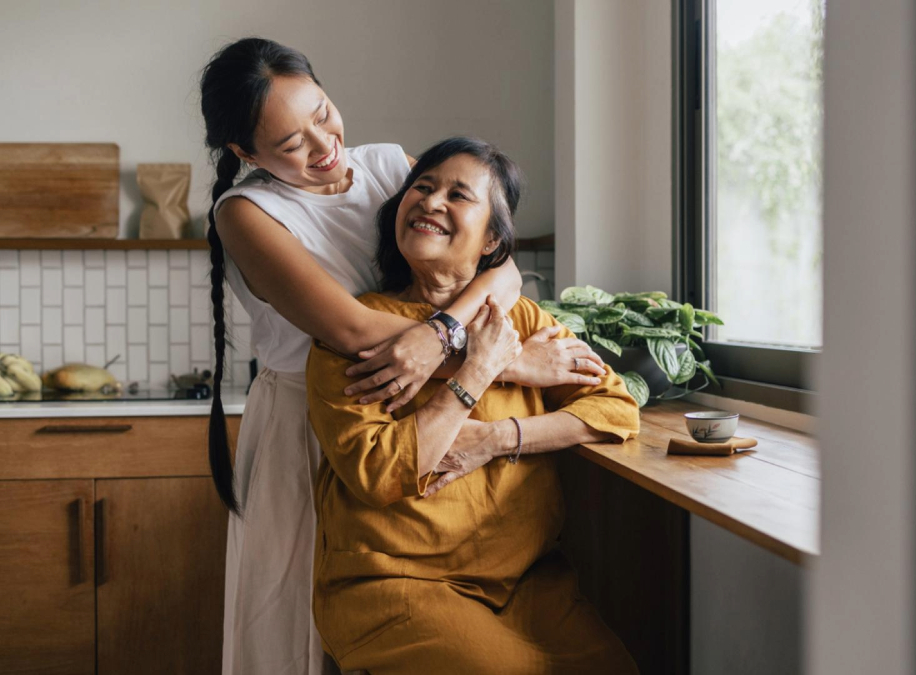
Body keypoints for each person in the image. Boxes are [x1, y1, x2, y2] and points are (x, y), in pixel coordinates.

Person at [198, 40, 610, 675]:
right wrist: (503, 362)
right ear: (245, 154)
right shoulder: (247, 214)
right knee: (299, 627)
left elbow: (500, 265)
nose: (322, 143)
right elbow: (353, 331)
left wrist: (442, 331)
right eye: (290, 144)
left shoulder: (392, 165)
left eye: (322, 112)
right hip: (316, 422)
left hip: (426, 410)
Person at [305, 137, 641, 674]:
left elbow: (616, 408)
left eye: (458, 194)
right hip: (393, 584)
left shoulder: (524, 319)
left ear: (490, 241)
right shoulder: (356, 331)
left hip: (527, 583)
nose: (431, 201)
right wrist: (478, 369)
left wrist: (497, 439)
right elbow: (379, 471)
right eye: (422, 186)